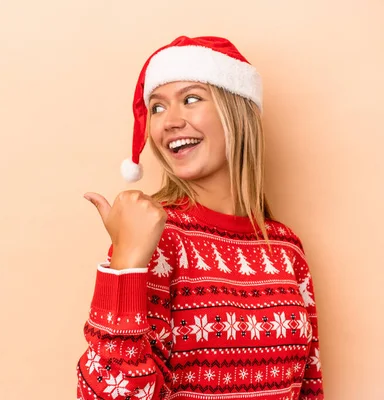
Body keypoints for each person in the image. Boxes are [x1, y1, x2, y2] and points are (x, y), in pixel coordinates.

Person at [77, 36, 324, 400]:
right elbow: (110, 394)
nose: (169, 122)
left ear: (236, 111)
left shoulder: (286, 249)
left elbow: (309, 389)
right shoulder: (158, 237)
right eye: (157, 108)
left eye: (190, 99)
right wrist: (126, 263)